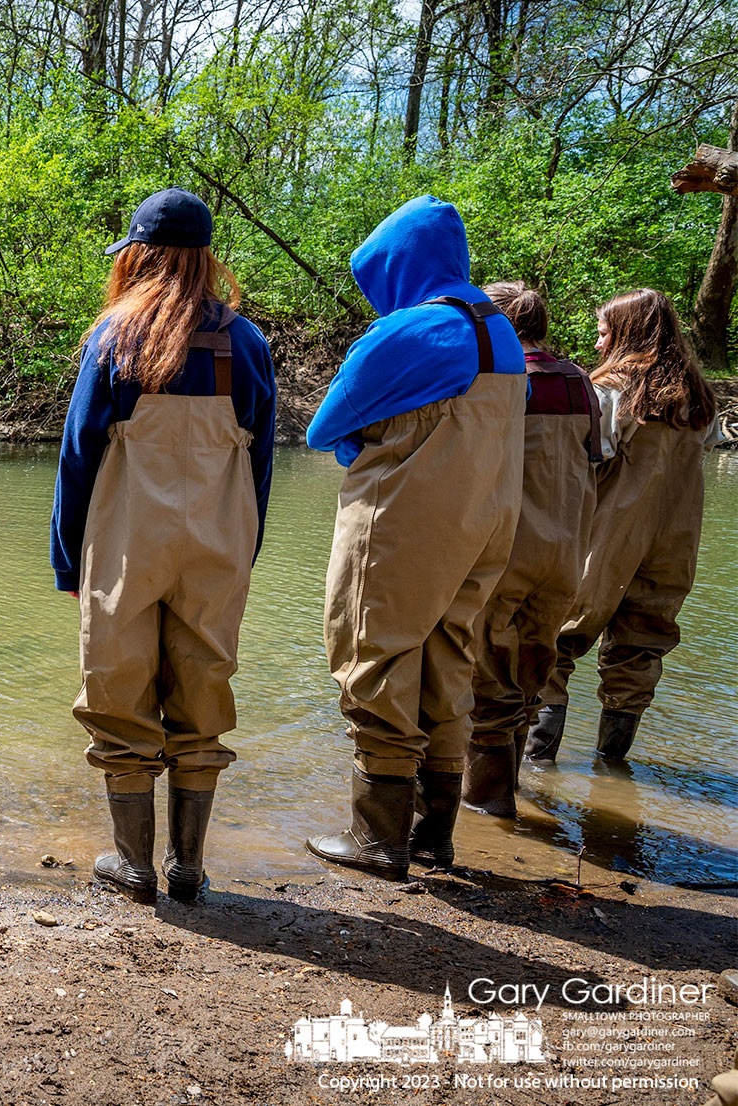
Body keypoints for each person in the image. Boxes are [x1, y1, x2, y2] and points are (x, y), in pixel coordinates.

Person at [49, 188, 276, 904]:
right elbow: (260, 461)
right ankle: (187, 867)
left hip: (125, 539)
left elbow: (79, 457)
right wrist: (246, 549)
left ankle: (134, 867)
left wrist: (66, 557)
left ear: (141, 257)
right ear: (208, 259)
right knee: (204, 686)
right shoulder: (247, 343)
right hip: (219, 540)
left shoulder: (115, 337)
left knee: (119, 690)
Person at [304, 195, 526, 881]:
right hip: (486, 521)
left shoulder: (411, 332)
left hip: (403, 521)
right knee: (449, 659)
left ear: (398, 265)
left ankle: (377, 840)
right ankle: (435, 836)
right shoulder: (499, 329)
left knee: (375, 656)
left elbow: (322, 427)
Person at [527, 289, 713, 763]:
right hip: (674, 542)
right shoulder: (698, 398)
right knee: (641, 648)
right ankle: (611, 770)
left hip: (607, 534)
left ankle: (537, 763)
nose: (597, 345)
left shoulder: (612, 390)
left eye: (604, 332)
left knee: (555, 637)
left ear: (629, 334)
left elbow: (590, 455)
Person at [461, 283, 601, 818]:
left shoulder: (502, 378)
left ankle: (488, 807)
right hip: (566, 558)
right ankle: (509, 795)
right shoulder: (582, 383)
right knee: (527, 682)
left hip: (509, 552)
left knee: (487, 684)